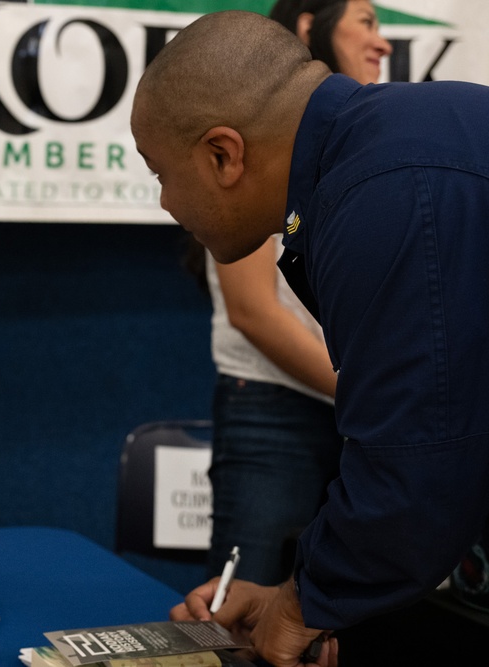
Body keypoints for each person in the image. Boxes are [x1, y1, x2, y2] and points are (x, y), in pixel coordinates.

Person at [131, 9, 489, 666]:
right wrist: (297, 597)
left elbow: (419, 460)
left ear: (224, 153)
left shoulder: (385, 192)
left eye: (160, 174)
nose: (164, 204)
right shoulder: (383, 158)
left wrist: (304, 604)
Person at [201, 0, 392, 587]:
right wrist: (375, 397)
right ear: (310, 24)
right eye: (367, 20)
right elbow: (254, 311)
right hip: (278, 414)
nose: (383, 43)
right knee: (243, 613)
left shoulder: (373, 140)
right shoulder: (259, 135)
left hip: (364, 419)